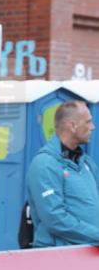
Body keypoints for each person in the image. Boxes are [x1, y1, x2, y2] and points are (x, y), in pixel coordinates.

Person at [26, 100, 99, 248]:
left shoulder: (87, 163)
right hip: (58, 260)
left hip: (87, 255)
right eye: (88, 122)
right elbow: (55, 219)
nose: (93, 127)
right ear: (72, 126)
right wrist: (96, 236)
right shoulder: (45, 164)